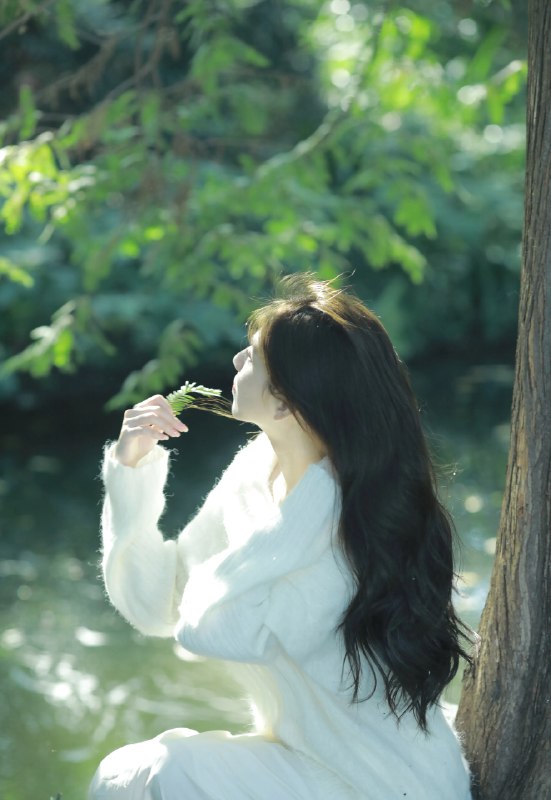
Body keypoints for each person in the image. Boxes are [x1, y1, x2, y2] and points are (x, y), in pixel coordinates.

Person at [89, 274, 474, 799]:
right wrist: (131, 469)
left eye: (252, 356)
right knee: (124, 777)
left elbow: (211, 628)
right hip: (305, 758)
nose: (236, 361)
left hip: (381, 782)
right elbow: (162, 603)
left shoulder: (343, 526)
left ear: (285, 404)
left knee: (158, 775)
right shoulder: (257, 473)